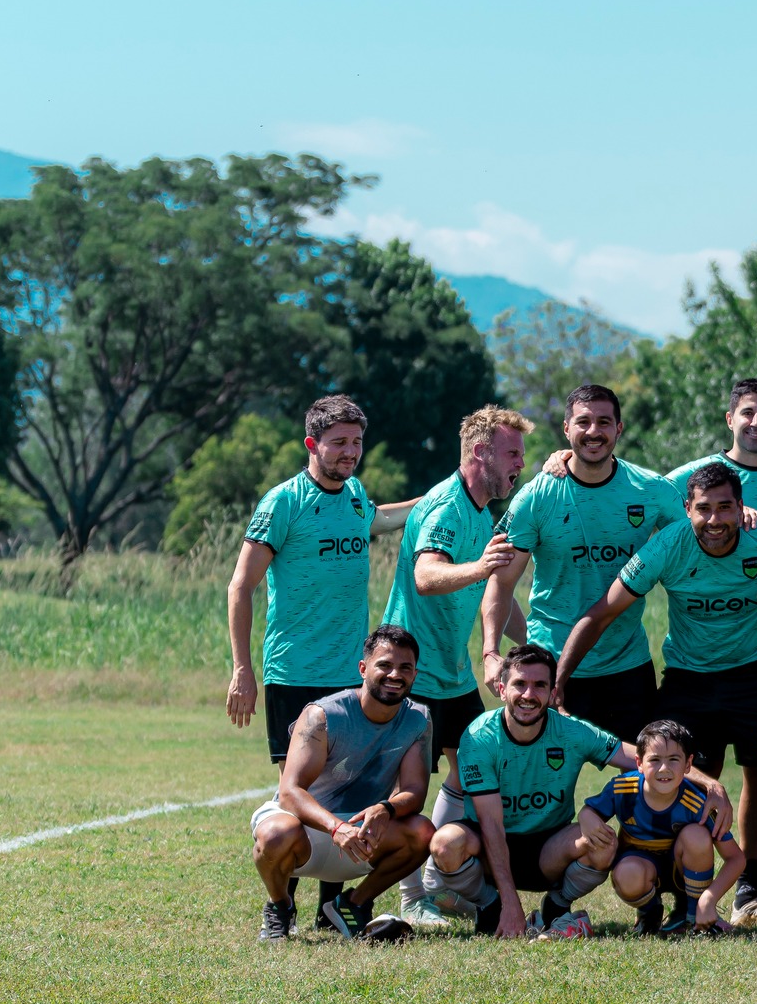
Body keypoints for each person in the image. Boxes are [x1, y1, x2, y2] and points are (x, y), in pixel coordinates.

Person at [558, 462, 757, 932]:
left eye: (725, 508)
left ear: (741, 508)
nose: (715, 520)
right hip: (690, 679)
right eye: (704, 510)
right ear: (686, 510)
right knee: (686, 780)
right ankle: (682, 904)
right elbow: (602, 611)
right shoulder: (668, 544)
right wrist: (560, 677)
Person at [381, 405, 532, 928]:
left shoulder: (481, 510)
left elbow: (496, 595)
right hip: (412, 675)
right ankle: (412, 899)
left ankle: (443, 882)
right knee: (411, 789)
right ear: (480, 452)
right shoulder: (447, 506)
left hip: (453, 675)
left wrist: (536, 644)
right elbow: (427, 575)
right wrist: (482, 566)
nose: (520, 464)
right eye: (512, 453)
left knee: (475, 773)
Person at [483, 384, 685, 744]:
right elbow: (500, 582)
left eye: (604, 422)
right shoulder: (538, 494)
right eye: (584, 422)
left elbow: (701, 536)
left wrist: (744, 515)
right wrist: (489, 652)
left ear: (619, 429)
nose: (594, 431)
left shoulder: (651, 490)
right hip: (550, 663)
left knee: (648, 775)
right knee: (536, 777)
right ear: (566, 429)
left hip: (626, 662)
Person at [226, 395, 417, 766]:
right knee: (299, 786)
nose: (351, 452)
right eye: (340, 443)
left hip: (352, 672)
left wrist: (438, 498)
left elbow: (378, 520)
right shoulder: (283, 502)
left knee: (348, 785)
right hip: (296, 673)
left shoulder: (355, 494)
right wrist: (242, 669)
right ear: (312, 445)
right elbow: (240, 586)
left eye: (357, 442)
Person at [421, 643, 638, 940]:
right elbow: (491, 825)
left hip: (548, 849)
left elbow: (645, 761)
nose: (528, 695)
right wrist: (510, 903)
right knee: (445, 844)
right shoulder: (478, 738)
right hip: (489, 844)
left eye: (539, 686)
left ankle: (556, 906)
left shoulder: (571, 731)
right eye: (519, 684)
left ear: (552, 693)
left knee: (602, 842)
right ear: (501, 688)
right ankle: (490, 905)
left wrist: (710, 785)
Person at [249, 624, 434, 942]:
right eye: (385, 665)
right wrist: (337, 828)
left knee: (422, 832)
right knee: (274, 834)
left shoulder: (418, 719)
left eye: (405, 668)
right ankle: (280, 907)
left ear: (415, 674)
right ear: (363, 669)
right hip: (306, 828)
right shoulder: (322, 715)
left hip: (360, 837)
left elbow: (415, 792)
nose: (395, 675)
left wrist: (386, 807)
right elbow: (290, 792)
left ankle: (353, 904)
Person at [579, 719, 746, 935]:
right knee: (627, 874)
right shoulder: (622, 789)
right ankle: (650, 913)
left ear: (688, 764)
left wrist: (709, 898)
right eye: (654, 760)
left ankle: (694, 915)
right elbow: (589, 810)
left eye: (674, 759)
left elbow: (736, 858)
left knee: (697, 835)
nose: (664, 768)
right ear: (638, 763)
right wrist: (586, 816)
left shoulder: (697, 803)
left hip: (682, 868)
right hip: (640, 866)